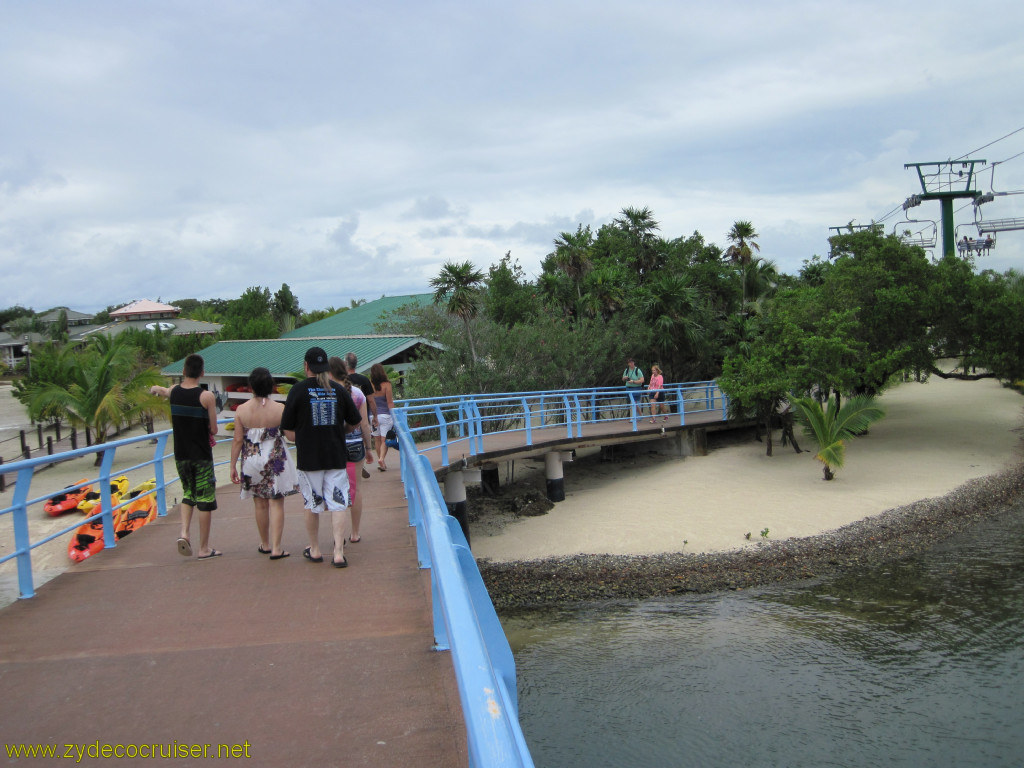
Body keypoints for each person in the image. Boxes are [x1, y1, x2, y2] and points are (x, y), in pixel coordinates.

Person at [281, 347, 362, 568]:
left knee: (312, 504)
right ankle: (338, 553)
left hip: (309, 459)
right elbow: (354, 420)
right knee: (338, 504)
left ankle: (315, 549)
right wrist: (340, 432)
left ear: (306, 366)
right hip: (335, 455)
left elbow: (286, 429)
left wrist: (304, 439)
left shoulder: (297, 391)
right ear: (325, 367)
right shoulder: (338, 389)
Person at [150, 353, 221, 559]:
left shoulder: (174, 392)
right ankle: (204, 548)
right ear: (202, 373)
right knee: (205, 500)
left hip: (181, 454)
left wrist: (155, 388)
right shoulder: (206, 397)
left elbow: (165, 390)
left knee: (188, 494)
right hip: (201, 455)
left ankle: (184, 533)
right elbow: (215, 430)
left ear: (183, 371)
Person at [229, 367, 298, 560]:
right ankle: (277, 547)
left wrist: (232, 465)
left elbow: (237, 440)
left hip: (251, 459)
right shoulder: (280, 409)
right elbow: (291, 435)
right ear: (270, 386)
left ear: (251, 386)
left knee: (259, 504)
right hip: (275, 458)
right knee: (277, 503)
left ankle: (265, 544)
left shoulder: (241, 410)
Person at [329, 357, 375, 543]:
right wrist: (369, 448)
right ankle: (355, 533)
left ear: (329, 373)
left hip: (334, 445)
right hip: (355, 444)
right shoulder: (357, 393)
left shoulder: (327, 391)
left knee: (334, 490)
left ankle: (337, 535)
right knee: (355, 489)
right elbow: (364, 424)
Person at [344, 352, 378, 478]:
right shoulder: (364, 380)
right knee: (362, 436)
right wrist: (375, 416)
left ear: (345, 363)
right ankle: (361, 461)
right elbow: (371, 400)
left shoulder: (340, 381)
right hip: (362, 415)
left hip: (345, 421)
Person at [370, 363, 395, 472]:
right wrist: (394, 416)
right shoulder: (387, 385)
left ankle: (381, 463)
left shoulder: (369, 385)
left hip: (373, 416)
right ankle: (381, 459)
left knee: (377, 439)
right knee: (384, 439)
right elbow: (390, 402)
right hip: (385, 415)